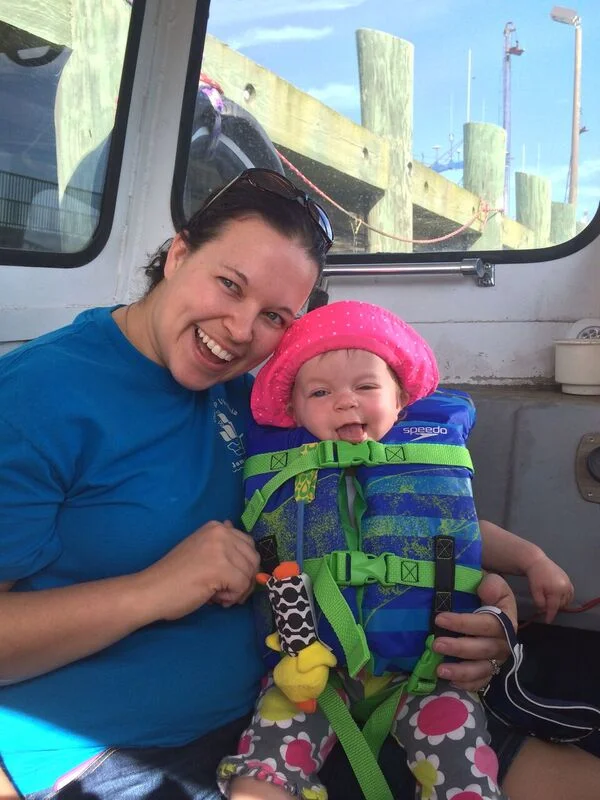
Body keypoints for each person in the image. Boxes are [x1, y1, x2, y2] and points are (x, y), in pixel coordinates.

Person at [0, 168, 597, 800]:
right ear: (178, 255)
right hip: (127, 753)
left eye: (274, 318)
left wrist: (474, 611)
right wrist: (153, 590)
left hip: (326, 690)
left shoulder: (266, 405)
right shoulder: (39, 396)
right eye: (228, 284)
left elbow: (388, 515)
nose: (237, 330)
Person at [217, 301, 574, 800]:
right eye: (320, 392)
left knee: (465, 772)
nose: (346, 402)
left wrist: (533, 560)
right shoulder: (285, 476)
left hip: (427, 674)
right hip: (310, 672)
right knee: (259, 775)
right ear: (294, 410)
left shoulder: (420, 468)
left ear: (402, 400)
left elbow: (470, 532)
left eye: (366, 387)